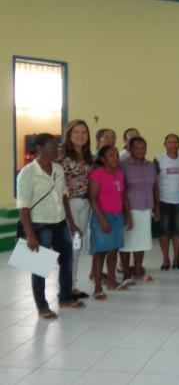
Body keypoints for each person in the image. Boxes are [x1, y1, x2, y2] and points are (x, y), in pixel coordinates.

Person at [17, 133, 85, 318]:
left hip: (60, 222)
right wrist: (30, 234)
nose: (56, 150)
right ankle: (42, 306)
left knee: (67, 261)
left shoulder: (58, 169)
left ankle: (65, 298)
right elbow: (23, 207)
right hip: (40, 224)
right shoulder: (28, 173)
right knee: (39, 266)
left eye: (56, 147)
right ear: (39, 149)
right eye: (51, 147)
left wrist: (71, 224)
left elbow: (64, 196)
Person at [89, 145, 132, 300]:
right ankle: (98, 287)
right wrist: (102, 220)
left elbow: (123, 196)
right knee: (100, 252)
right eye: (111, 155)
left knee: (114, 250)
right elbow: (92, 199)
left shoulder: (120, 174)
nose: (115, 158)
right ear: (102, 159)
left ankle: (112, 281)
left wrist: (128, 215)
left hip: (118, 216)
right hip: (103, 217)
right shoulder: (97, 174)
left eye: (116, 155)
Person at [59, 119, 93, 299]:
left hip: (84, 203)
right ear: (69, 135)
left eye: (84, 132)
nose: (81, 136)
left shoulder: (89, 156)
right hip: (67, 205)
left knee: (76, 246)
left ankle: (71, 285)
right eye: (76, 132)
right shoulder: (61, 154)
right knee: (67, 246)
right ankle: (64, 287)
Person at [120, 136, 158, 283]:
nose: (141, 150)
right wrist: (127, 213)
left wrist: (157, 208)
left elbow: (155, 187)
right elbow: (121, 190)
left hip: (146, 207)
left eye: (144, 147)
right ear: (129, 149)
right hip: (129, 209)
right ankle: (126, 273)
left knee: (141, 242)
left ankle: (137, 270)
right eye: (137, 147)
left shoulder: (150, 165)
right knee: (127, 243)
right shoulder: (123, 165)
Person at [155, 133, 179, 270]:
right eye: (169, 142)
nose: (173, 145)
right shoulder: (158, 160)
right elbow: (154, 183)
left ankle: (176, 257)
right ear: (165, 144)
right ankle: (165, 258)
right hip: (163, 201)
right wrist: (155, 205)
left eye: (175, 142)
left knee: (178, 231)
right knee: (164, 232)